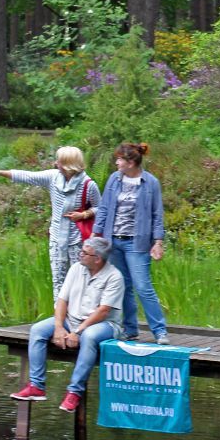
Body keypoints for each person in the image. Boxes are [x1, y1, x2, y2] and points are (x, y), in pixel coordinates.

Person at [11, 235, 124, 412]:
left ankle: (74, 392)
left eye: (85, 253)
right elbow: (62, 300)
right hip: (72, 319)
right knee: (38, 330)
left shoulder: (114, 277)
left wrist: (77, 332)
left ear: (98, 259)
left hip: (104, 325)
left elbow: (103, 311)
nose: (80, 255)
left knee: (90, 336)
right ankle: (36, 386)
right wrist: (58, 327)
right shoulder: (76, 269)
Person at [0, 146, 101, 301]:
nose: (55, 163)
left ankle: (79, 318)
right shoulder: (53, 177)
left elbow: (100, 208)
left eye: (59, 161)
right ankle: (59, 320)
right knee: (58, 281)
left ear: (68, 164)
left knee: (79, 280)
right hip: (57, 239)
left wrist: (83, 214)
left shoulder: (88, 184)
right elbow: (27, 176)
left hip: (78, 241)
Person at [92, 142, 169, 345]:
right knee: (123, 287)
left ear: (131, 162)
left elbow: (157, 214)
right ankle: (130, 329)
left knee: (143, 286)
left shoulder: (150, 183)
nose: (116, 162)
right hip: (113, 240)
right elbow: (104, 208)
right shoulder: (113, 180)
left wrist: (158, 242)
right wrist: (95, 235)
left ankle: (160, 331)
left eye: (120, 159)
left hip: (138, 242)